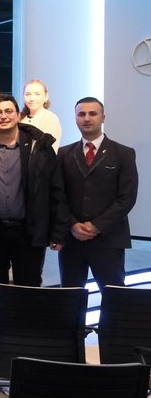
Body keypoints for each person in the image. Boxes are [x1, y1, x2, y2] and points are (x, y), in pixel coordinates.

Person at [0, 94, 62, 292]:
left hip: (28, 231)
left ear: (18, 115)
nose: (3, 116)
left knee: (29, 290)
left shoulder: (40, 147)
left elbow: (56, 190)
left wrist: (57, 231)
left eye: (8, 111)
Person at [53, 97, 139, 288]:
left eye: (92, 113)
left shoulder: (123, 154)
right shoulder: (63, 154)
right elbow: (58, 196)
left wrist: (97, 226)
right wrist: (73, 224)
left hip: (109, 239)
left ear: (103, 117)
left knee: (114, 296)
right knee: (70, 296)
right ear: (75, 118)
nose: (87, 118)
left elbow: (126, 198)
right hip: (72, 240)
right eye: (81, 114)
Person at [20, 79, 61, 150]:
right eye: (28, 94)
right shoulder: (21, 118)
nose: (32, 98)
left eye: (37, 94)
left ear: (46, 96)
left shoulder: (50, 118)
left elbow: (49, 148)